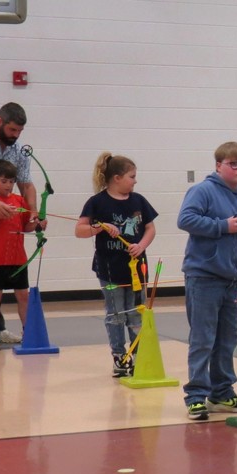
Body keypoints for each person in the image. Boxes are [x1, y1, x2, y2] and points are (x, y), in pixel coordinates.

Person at [177, 142, 237, 420]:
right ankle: (196, 396)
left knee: (227, 339)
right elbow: (185, 219)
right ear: (218, 165)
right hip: (204, 278)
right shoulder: (203, 191)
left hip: (232, 281)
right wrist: (222, 226)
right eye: (234, 164)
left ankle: (222, 393)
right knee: (203, 338)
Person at [75, 153, 157, 377]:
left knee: (136, 313)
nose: (135, 181)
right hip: (110, 270)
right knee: (116, 313)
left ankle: (138, 354)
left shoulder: (139, 200)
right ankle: (120, 357)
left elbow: (150, 229)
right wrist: (100, 227)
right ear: (117, 178)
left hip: (137, 271)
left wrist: (141, 245)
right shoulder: (97, 202)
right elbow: (80, 230)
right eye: (132, 176)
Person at [0, 102, 38, 344]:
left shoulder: (18, 149)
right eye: (13, 130)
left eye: (20, 131)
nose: (16, 135)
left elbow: (26, 183)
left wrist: (34, 211)